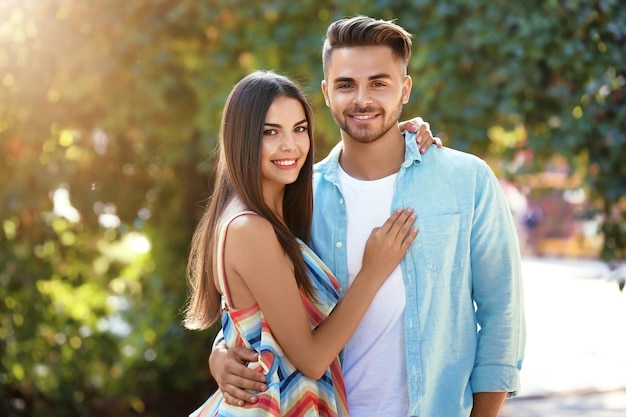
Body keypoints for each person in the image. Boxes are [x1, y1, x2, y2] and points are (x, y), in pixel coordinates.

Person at [210, 16, 526, 417]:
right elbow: (262, 305)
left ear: (405, 89)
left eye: (379, 83)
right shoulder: (302, 196)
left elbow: (502, 314)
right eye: (346, 85)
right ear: (326, 93)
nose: (362, 99)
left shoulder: (466, 180)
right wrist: (220, 352)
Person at [184, 70, 421, 416]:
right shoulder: (250, 228)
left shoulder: (268, 218)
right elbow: (311, 360)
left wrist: (400, 133)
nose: (290, 146)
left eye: (299, 129)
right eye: (270, 132)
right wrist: (373, 271)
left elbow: (253, 324)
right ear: (241, 139)